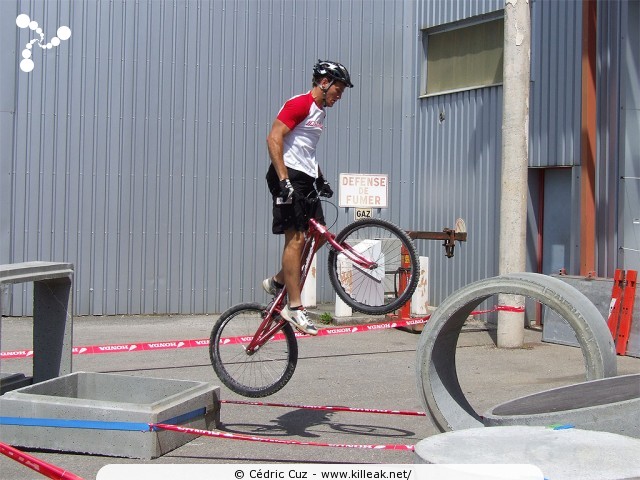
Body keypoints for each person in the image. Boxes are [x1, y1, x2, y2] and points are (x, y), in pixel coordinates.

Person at [264, 60, 353, 335]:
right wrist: (284, 181)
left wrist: (320, 176)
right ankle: (294, 306)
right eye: (338, 89)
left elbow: (305, 150)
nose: (339, 96)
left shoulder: (319, 112)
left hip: (306, 178)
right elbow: (274, 138)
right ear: (324, 83)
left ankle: (279, 280)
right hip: (288, 177)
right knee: (297, 238)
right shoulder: (300, 104)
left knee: (317, 236)